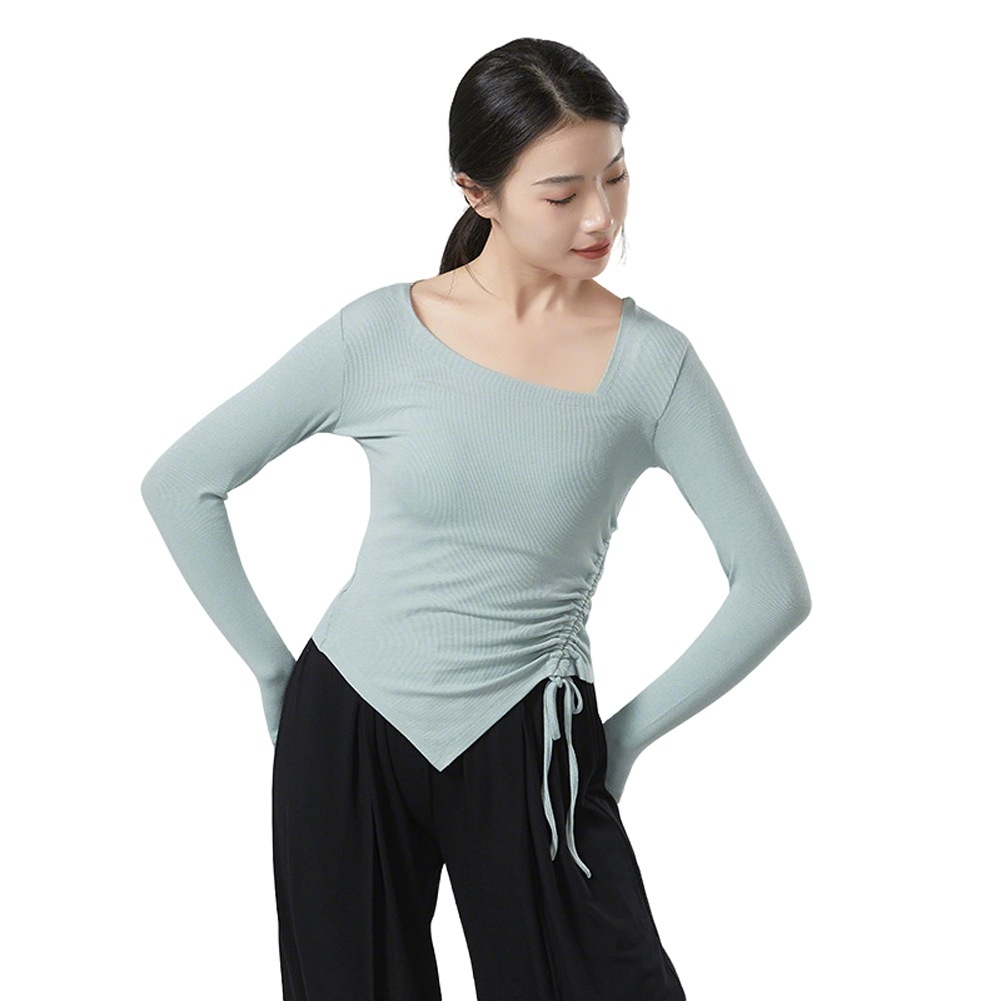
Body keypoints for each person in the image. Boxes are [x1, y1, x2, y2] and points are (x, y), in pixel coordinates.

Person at [141, 36, 811, 1001]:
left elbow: (773, 588)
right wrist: (274, 669)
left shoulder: (651, 365)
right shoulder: (378, 332)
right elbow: (183, 483)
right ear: (476, 192)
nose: (600, 216)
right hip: (349, 721)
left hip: (531, 738)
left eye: (616, 176)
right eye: (561, 192)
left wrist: (620, 740)